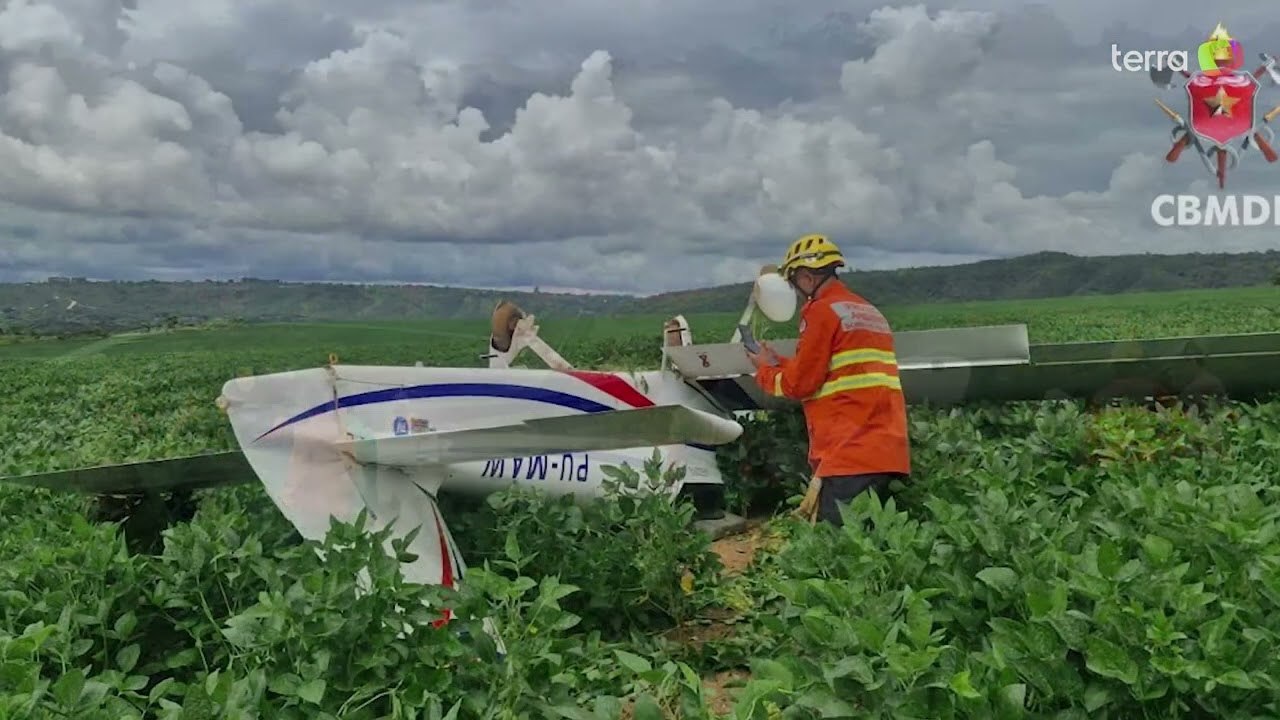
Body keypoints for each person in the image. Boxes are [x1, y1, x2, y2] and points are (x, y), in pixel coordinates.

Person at [745, 234, 911, 526]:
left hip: (849, 453)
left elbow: (802, 385)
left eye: (794, 281)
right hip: (886, 451)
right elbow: (835, 369)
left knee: (838, 554)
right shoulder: (868, 312)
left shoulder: (821, 311)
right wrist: (780, 362)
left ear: (807, 277)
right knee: (870, 548)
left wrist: (764, 371)